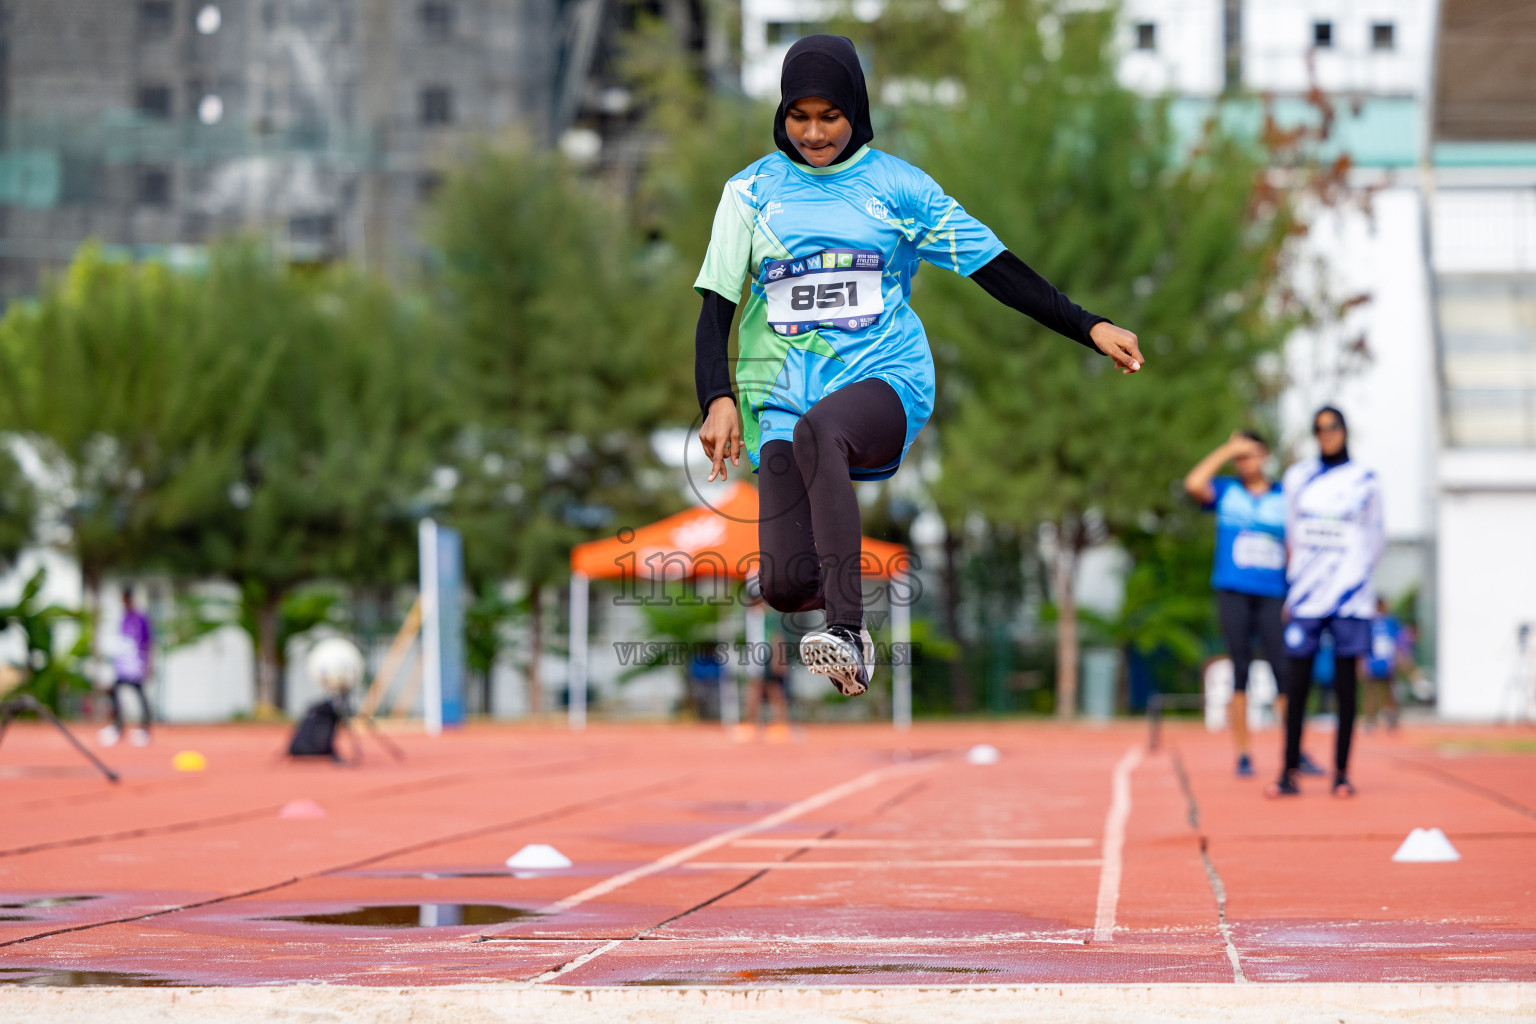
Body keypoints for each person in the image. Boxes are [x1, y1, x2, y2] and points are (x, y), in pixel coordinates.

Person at [694, 35, 1142, 696]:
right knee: (786, 586)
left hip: (884, 379)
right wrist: (718, 396)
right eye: (799, 117)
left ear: (856, 111)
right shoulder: (749, 193)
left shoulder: (900, 189)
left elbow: (997, 270)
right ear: (782, 115)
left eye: (830, 116)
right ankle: (821, 578)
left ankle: (848, 632)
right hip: (783, 400)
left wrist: (1089, 324)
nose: (814, 133)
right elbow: (715, 309)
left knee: (826, 432)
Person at [1266, 406, 1384, 799]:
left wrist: (1355, 579)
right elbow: (1290, 533)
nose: (1326, 434)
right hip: (1306, 597)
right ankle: (1288, 770)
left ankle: (1342, 773)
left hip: (1350, 598)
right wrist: (1293, 586)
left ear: (1345, 430)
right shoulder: (1298, 476)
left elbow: (1376, 537)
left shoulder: (1366, 480)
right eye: (1318, 429)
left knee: (1346, 686)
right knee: (1297, 684)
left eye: (1332, 427)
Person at [1185, 431, 1312, 777]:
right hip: (1233, 591)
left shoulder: (1284, 497)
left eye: (1251, 454)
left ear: (1266, 456)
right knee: (1239, 670)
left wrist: (1295, 592)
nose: (1245, 461)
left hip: (1272, 594)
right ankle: (1243, 753)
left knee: (1283, 671)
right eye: (1240, 456)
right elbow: (1193, 483)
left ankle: (1296, 749)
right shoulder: (1226, 491)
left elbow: (1294, 547)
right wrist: (1226, 448)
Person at [99, 586, 153, 748]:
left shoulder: (140, 618)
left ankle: (145, 729)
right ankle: (118, 726)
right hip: (123, 664)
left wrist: (148, 664)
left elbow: (148, 642)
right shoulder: (123, 618)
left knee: (140, 694)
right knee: (115, 691)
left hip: (136, 663)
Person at [1361, 597, 1402, 731]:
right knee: (1371, 693)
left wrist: (1396, 660)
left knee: (1389, 692)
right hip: (1373, 662)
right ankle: (1369, 720)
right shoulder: (1369, 622)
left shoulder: (1390, 621)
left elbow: (1397, 642)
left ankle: (1391, 719)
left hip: (1387, 662)